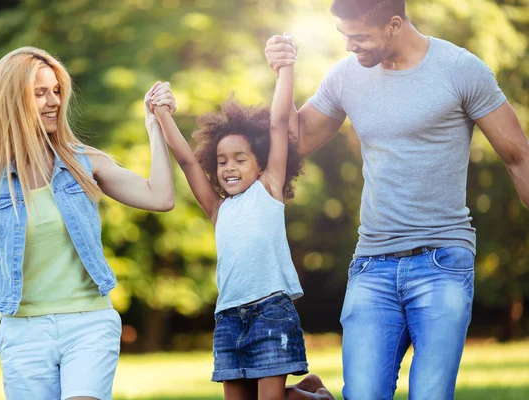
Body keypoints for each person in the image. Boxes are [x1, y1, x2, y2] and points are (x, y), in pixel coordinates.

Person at [264, 1, 529, 399]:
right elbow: (295, 139)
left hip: (443, 262)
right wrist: (284, 72)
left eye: (360, 37)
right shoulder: (345, 77)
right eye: (345, 37)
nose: (351, 47)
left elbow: (518, 157)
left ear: (394, 24)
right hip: (372, 264)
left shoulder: (460, 69)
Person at [0, 46, 176, 399]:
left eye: (56, 91)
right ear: (13, 101)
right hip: (23, 332)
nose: (53, 101)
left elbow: (160, 198)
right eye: (39, 93)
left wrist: (155, 127)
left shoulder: (85, 163)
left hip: (88, 323)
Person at [149, 44, 333, 399]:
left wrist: (285, 70)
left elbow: (279, 124)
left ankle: (316, 398)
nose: (229, 167)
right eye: (221, 161)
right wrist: (162, 115)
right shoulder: (218, 209)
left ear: (260, 163)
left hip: (270, 313)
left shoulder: (269, 187)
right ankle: (308, 391)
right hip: (229, 317)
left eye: (239, 159)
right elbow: (187, 161)